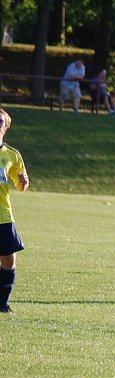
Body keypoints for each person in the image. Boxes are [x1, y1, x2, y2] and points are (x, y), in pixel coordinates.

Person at [0, 108, 31, 314]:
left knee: (8, 258)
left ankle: (2, 302)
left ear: (6, 127)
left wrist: (23, 183)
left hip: (2, 214)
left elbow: (20, 185)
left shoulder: (11, 155)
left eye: (0, 121)